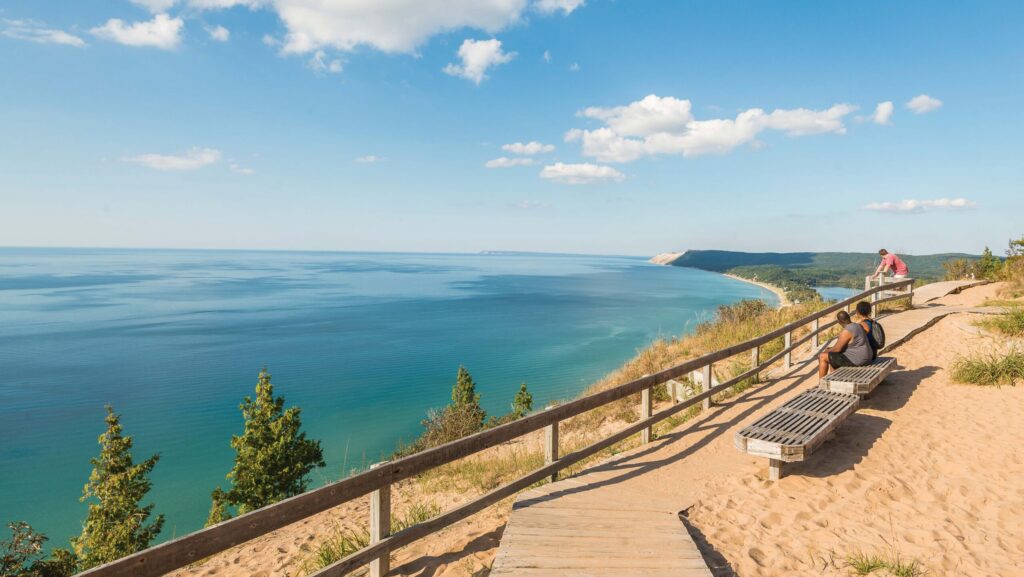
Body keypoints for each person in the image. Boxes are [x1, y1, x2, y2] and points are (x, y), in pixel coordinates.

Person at [818, 310, 874, 378]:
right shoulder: (857, 325)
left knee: (822, 356)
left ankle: (821, 384)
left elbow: (837, 349)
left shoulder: (847, 331)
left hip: (859, 359)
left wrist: (826, 351)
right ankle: (833, 379)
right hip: (867, 357)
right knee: (832, 356)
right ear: (849, 318)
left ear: (839, 322)